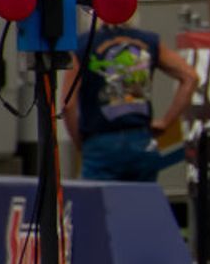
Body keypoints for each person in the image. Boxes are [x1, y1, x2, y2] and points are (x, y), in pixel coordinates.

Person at [65, 24, 199, 182]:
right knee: (140, 204)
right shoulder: (149, 40)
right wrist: (166, 122)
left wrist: (80, 142)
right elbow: (190, 77)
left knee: (96, 204)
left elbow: (67, 105)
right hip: (141, 140)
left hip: (100, 142)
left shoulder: (82, 45)